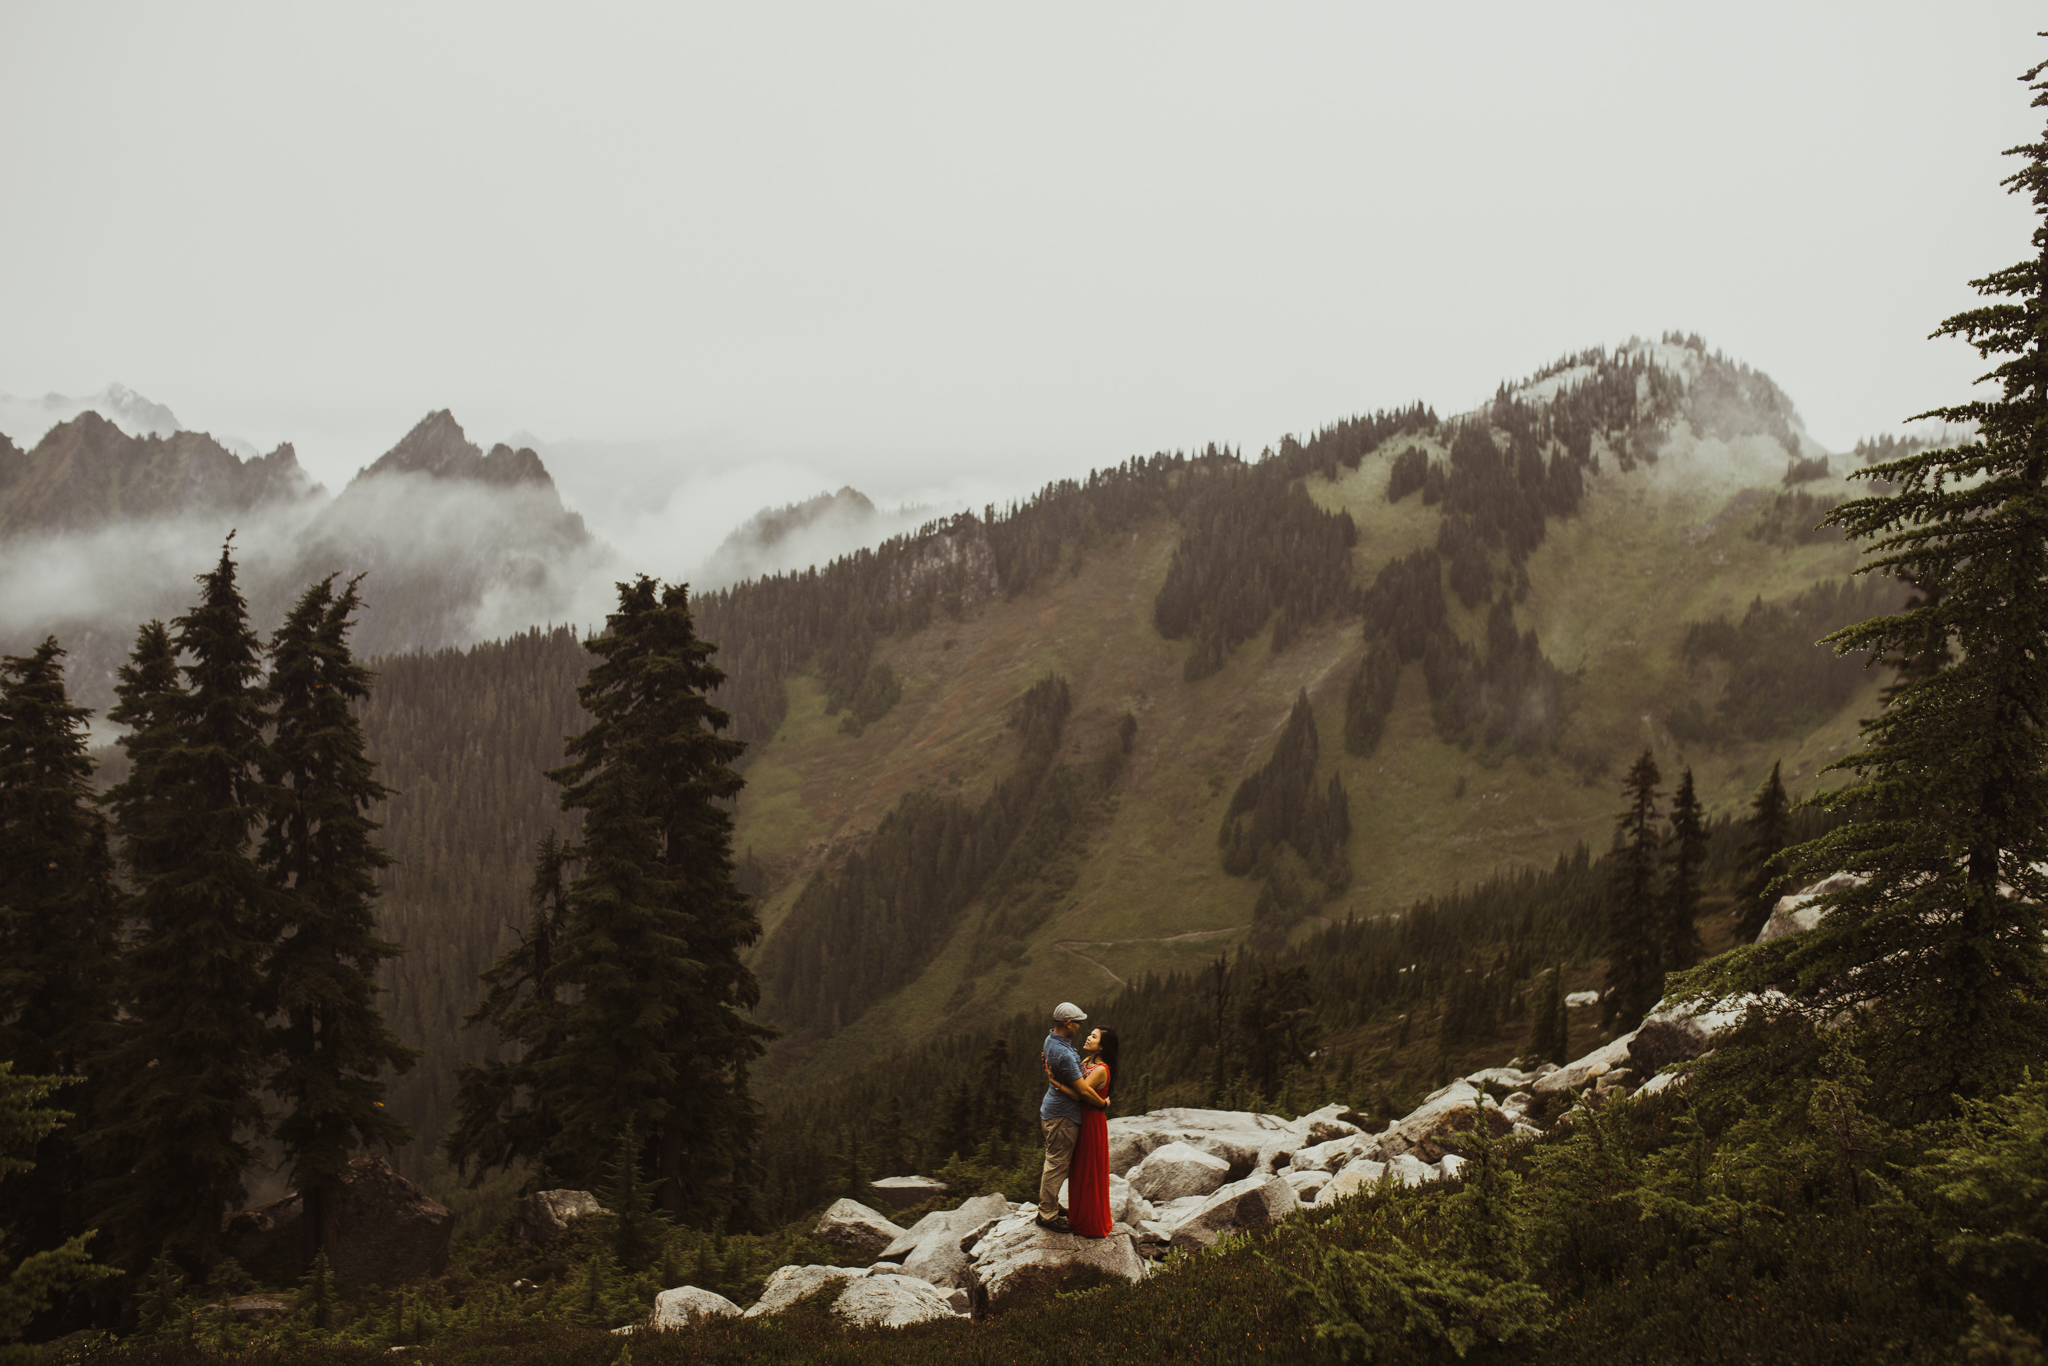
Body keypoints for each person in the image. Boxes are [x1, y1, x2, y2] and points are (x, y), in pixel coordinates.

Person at [1057, 1025, 1119, 1237]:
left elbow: (1078, 1094)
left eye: (1093, 1036)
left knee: (1089, 1170)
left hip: (1091, 1123)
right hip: (1083, 1119)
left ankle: (1090, 1222)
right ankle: (1079, 1215)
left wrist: (1055, 1083)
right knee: (1080, 1168)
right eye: (1090, 1034)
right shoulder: (1087, 1062)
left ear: (1101, 1046)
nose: (1088, 1038)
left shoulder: (1101, 1069)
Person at [1037, 1001, 1091, 1232]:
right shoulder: (1064, 1053)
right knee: (1057, 1164)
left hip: (1052, 1110)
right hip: (1063, 1116)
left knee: (1055, 1161)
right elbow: (1081, 1092)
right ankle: (1047, 1215)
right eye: (1078, 1023)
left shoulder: (1051, 1040)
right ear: (1068, 1023)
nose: (1080, 1027)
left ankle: (1051, 1204)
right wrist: (1102, 1102)